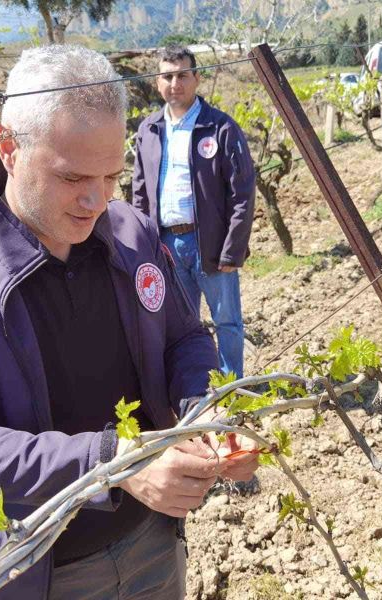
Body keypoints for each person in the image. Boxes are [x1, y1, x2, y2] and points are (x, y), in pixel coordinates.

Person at [0, 45, 260, 600]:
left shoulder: (131, 232)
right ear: (8, 148)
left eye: (110, 175)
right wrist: (110, 463)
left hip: (152, 540)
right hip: (32, 568)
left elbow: (182, 337)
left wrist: (203, 407)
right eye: (72, 177)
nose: (94, 200)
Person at [132, 46, 256, 379]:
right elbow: (140, 194)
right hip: (167, 248)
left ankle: (232, 390)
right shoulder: (149, 130)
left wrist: (233, 248)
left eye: (182, 75)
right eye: (167, 76)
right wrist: (144, 247)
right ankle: (196, 390)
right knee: (181, 327)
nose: (175, 83)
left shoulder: (221, 128)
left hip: (211, 245)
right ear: (158, 82)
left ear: (196, 78)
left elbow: (242, 194)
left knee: (227, 321)